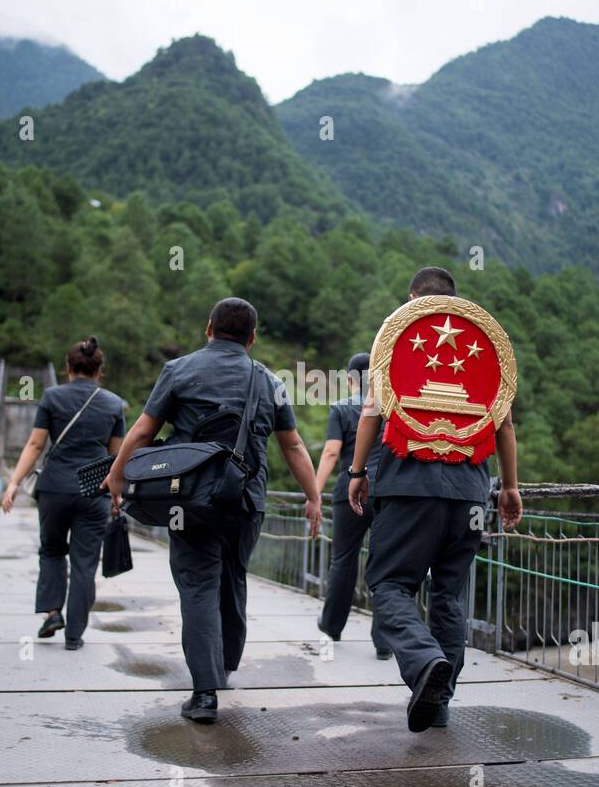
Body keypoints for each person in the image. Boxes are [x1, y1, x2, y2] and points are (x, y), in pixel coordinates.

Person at [103, 298, 323, 723]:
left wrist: (117, 476)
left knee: (198, 584)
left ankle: (205, 693)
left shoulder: (179, 370)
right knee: (233, 575)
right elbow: (293, 445)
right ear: (252, 338)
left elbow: (144, 431)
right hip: (245, 501)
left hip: (189, 500)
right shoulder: (269, 381)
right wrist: (313, 497)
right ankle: (226, 664)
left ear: (209, 328)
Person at [347, 267, 523, 732]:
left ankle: (425, 663)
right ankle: (440, 700)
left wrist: (357, 471)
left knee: (389, 585)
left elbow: (371, 413)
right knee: (448, 595)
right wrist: (508, 487)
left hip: (407, 487)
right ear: (454, 298)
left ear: (411, 298)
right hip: (469, 493)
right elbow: (504, 426)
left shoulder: (400, 335)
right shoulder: (482, 341)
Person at [2, 338, 126, 651]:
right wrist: (117, 495)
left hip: (55, 488)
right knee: (85, 562)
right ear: (100, 371)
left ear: (68, 368)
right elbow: (116, 457)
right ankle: (75, 635)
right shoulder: (113, 404)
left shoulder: (52, 397)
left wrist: (14, 483)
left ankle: (53, 613)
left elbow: (35, 445)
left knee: (52, 551)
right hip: (93, 490)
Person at [313, 352, 390, 659]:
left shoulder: (342, 409)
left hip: (350, 489)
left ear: (349, 379)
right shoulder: (388, 407)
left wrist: (314, 493)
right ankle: (384, 641)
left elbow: (331, 453)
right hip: (386, 490)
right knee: (386, 562)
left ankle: (332, 626)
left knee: (343, 558)